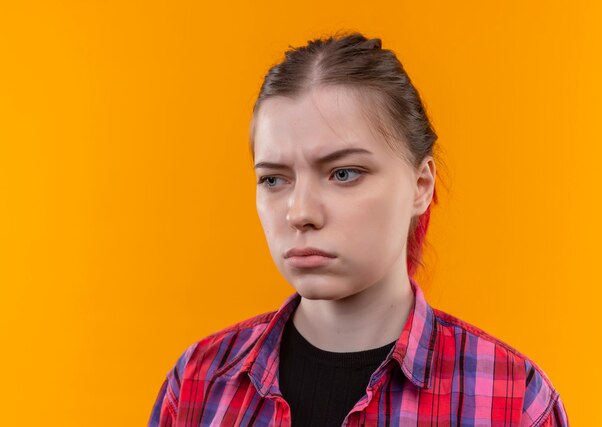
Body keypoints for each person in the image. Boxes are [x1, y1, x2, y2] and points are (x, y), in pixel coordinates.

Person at [148, 32, 569, 426]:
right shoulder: (197, 386)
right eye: (273, 179)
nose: (299, 213)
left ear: (421, 185)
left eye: (344, 173)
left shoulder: (513, 399)